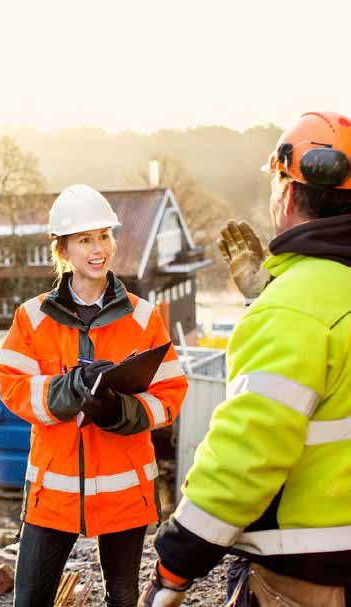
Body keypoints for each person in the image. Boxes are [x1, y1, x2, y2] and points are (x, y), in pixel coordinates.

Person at [138, 110, 351, 607]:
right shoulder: (307, 302)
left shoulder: (294, 309)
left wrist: (175, 563)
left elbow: (247, 454)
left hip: (312, 573)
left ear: (286, 189)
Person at [0, 184, 188, 607]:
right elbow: (12, 386)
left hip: (125, 492)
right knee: (29, 599)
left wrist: (121, 410)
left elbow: (172, 392)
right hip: (54, 495)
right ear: (62, 249)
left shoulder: (143, 316)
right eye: (85, 240)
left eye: (105, 236)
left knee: (122, 598)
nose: (99, 249)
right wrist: (71, 389)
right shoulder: (31, 317)